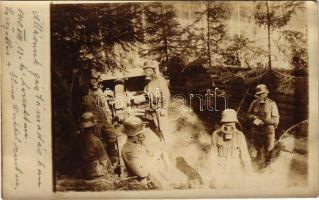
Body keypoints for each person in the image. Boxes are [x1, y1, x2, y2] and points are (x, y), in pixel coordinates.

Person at [121, 116, 187, 189]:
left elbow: (161, 149)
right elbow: (142, 173)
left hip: (154, 173)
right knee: (169, 188)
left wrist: (169, 167)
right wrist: (155, 157)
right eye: (140, 134)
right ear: (133, 136)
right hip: (143, 182)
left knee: (183, 180)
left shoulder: (139, 143)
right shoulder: (129, 150)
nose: (143, 135)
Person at [81, 69, 120, 168]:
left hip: (104, 120)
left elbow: (105, 105)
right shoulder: (84, 92)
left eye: (96, 79)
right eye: (92, 79)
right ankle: (107, 166)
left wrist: (109, 116)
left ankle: (114, 161)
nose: (95, 81)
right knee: (100, 143)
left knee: (113, 136)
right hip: (93, 123)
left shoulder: (99, 90)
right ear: (87, 80)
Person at [210, 109, 252, 188]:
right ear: (222, 123)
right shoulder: (216, 135)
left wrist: (249, 173)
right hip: (220, 170)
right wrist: (213, 174)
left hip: (234, 170)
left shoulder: (239, 135)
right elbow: (213, 155)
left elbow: (245, 156)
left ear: (235, 123)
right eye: (226, 124)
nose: (228, 128)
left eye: (231, 124)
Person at [247, 84, 279, 167]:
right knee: (259, 149)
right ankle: (258, 166)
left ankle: (268, 167)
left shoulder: (272, 104)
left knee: (269, 150)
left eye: (262, 94)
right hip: (256, 130)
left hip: (268, 131)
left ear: (266, 93)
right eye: (258, 94)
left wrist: (264, 121)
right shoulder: (254, 103)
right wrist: (254, 118)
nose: (260, 96)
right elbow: (248, 114)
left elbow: (275, 120)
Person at [72, 112, 110, 179]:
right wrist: (110, 171)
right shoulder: (96, 140)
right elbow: (104, 159)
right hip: (94, 171)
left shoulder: (76, 138)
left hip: (81, 170)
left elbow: (74, 154)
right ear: (93, 126)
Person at [142, 60, 171, 141]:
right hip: (153, 109)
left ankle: (167, 144)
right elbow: (147, 94)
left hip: (160, 107)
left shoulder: (160, 80)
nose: (146, 72)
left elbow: (166, 94)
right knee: (157, 126)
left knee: (163, 128)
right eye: (145, 70)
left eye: (148, 70)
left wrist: (164, 108)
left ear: (153, 70)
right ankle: (162, 142)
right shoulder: (149, 82)